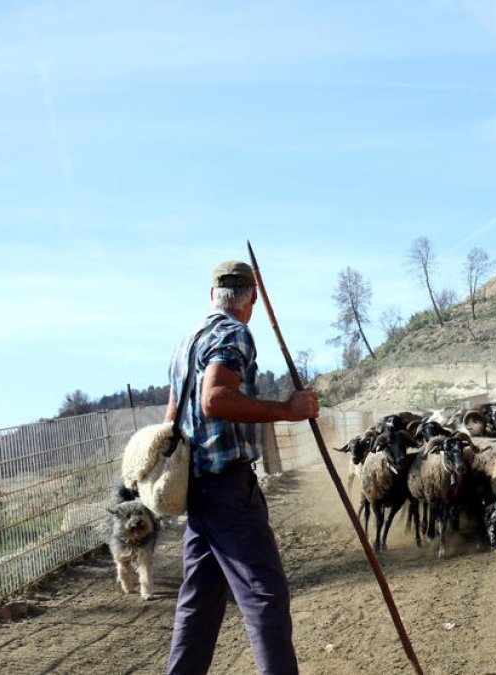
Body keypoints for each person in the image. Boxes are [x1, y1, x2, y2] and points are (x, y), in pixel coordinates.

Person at [165, 260, 319, 675]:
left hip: (198, 490)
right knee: (264, 595)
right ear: (251, 299)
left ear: (212, 296)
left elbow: (172, 417)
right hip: (228, 490)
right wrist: (287, 410)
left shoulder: (188, 341)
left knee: (199, 602)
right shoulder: (234, 332)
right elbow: (213, 398)